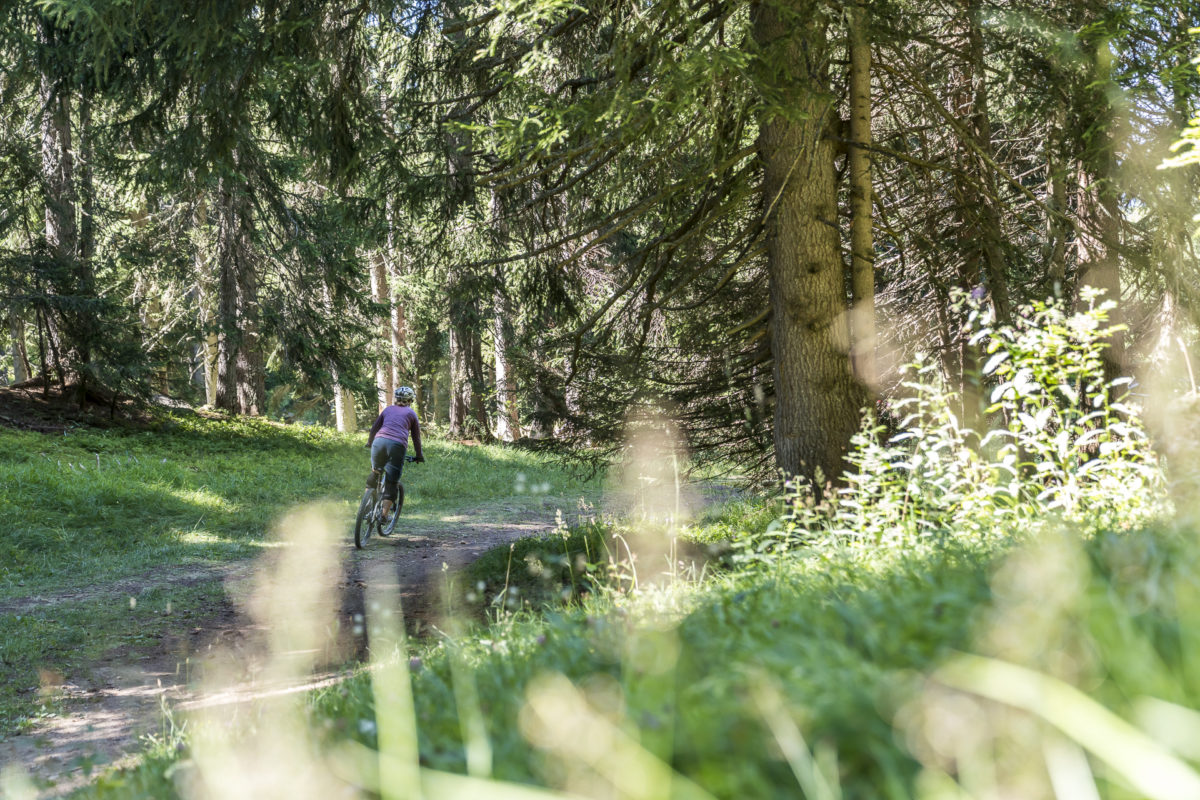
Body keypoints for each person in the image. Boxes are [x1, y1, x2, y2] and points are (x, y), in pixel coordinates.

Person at [366, 386, 424, 526]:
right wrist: (419, 456)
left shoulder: (387, 410)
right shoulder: (411, 414)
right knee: (392, 482)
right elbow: (416, 438)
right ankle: (384, 515)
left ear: (396, 399)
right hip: (397, 446)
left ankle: (366, 507)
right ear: (410, 400)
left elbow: (375, 427)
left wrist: (369, 442)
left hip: (378, 442)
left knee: (375, 472)